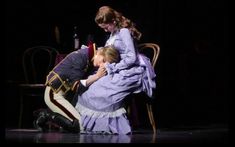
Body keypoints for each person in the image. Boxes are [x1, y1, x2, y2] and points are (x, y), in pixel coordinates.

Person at [75, 6, 156, 134]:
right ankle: (88, 125)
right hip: (118, 68)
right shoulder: (113, 33)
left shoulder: (123, 32)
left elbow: (131, 58)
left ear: (113, 21)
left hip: (131, 70)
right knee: (92, 86)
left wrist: (112, 67)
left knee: (104, 91)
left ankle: (108, 126)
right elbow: (112, 52)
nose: (105, 30)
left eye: (106, 27)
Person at [34, 45, 120, 133]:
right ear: (100, 53)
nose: (101, 66)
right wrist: (97, 76)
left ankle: (52, 118)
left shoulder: (89, 57)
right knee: (80, 125)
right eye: (103, 61)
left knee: (81, 124)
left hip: (66, 96)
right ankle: (45, 114)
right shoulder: (81, 57)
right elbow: (76, 86)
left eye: (105, 64)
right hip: (54, 94)